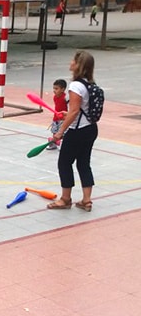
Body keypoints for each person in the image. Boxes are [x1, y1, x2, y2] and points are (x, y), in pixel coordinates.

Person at [49, 51, 99, 212]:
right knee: (84, 163)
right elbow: (79, 110)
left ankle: (65, 199)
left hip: (78, 131)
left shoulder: (75, 85)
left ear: (79, 66)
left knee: (64, 162)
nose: (70, 62)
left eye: (74, 60)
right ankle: (87, 200)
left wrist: (60, 131)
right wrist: (67, 114)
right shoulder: (91, 84)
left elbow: (75, 111)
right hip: (91, 128)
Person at [47, 79, 68, 151]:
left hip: (63, 119)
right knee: (54, 132)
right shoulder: (55, 97)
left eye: (56, 89)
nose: (54, 90)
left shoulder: (66, 98)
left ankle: (63, 145)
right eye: (53, 88)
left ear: (63, 89)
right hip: (56, 118)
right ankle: (53, 144)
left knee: (63, 133)